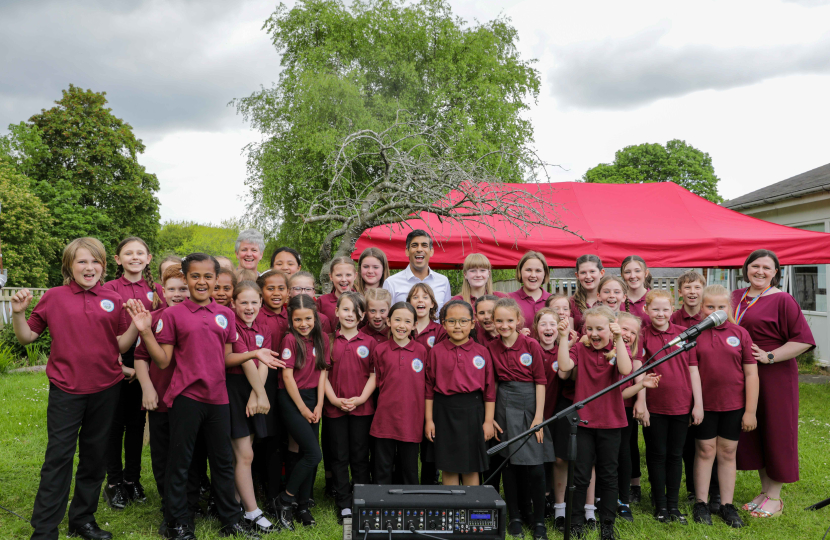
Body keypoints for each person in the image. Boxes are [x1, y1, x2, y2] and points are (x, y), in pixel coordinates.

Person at [11, 237, 145, 540]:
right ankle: (44, 530)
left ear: (104, 265)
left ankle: (82, 520)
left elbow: (119, 344)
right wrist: (19, 313)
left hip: (107, 388)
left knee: (95, 457)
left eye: (95, 261)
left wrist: (136, 324)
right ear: (69, 266)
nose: (90, 267)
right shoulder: (54, 297)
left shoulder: (111, 297)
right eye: (82, 261)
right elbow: (27, 337)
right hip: (66, 389)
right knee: (58, 457)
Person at [136, 252, 272, 539]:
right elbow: (162, 361)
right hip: (186, 398)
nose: (202, 281)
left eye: (208, 276)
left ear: (216, 279)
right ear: (185, 279)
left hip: (218, 398)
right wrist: (146, 333)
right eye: (195, 276)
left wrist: (254, 353)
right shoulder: (173, 315)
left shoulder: (225, 315)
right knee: (181, 461)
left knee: (223, 461)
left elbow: (227, 358)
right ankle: (177, 522)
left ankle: (231, 521)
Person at [732, 249, 814, 519]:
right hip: (742, 374)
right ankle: (765, 491)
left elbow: (802, 340)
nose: (760, 272)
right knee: (755, 430)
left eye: (767, 268)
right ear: (746, 269)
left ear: (776, 272)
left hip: (774, 374)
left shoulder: (783, 300)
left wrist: (769, 356)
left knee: (776, 430)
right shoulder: (735, 297)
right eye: (755, 266)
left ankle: (775, 497)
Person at [557, 305, 633, 540]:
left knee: (609, 474)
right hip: (583, 423)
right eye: (590, 329)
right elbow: (564, 367)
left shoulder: (619, 347)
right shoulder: (580, 347)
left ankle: (607, 525)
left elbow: (625, 369)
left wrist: (619, 339)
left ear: (610, 329)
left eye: (600, 328)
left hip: (611, 422)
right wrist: (562, 339)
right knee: (580, 476)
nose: (594, 333)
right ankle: (576, 522)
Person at [102, 236, 162, 510]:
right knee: (115, 424)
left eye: (141, 253)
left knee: (138, 424)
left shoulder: (157, 290)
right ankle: (113, 482)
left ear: (149, 259)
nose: (135, 257)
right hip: (115, 358)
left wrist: (144, 368)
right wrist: (121, 365)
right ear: (118, 259)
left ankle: (132, 479)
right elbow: (102, 334)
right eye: (128, 253)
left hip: (146, 360)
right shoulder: (109, 289)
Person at [691, 285, 759, 528]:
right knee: (705, 450)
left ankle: (726, 505)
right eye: (710, 306)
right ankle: (701, 502)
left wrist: (750, 411)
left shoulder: (740, 333)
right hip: (705, 404)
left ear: (728, 307)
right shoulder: (695, 334)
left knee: (728, 452)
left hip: (734, 404)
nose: (716, 311)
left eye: (721, 306)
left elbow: (751, 374)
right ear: (701, 307)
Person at [488, 297, 552, 540]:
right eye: (499, 321)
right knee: (509, 464)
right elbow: (491, 384)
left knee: (535, 467)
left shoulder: (530, 344)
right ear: (493, 322)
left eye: (509, 320)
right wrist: (491, 416)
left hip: (530, 404)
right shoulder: (491, 348)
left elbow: (541, 382)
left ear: (518, 321)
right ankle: (514, 516)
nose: (504, 325)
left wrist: (538, 418)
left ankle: (538, 521)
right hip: (504, 404)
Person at [638, 289, 703, 524]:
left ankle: (674, 505)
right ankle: (660, 505)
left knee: (676, 455)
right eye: (655, 309)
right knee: (657, 455)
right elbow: (641, 371)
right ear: (646, 310)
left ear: (673, 310)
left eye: (665, 309)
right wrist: (642, 403)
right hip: (655, 407)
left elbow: (693, 370)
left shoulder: (685, 334)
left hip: (681, 405)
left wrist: (698, 404)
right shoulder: (643, 336)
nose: (660, 313)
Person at [133, 263, 188, 524]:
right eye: (173, 289)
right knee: (163, 452)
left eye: (184, 289)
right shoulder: (154, 319)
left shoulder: (200, 317)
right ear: (163, 292)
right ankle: (168, 501)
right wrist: (147, 388)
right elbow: (141, 357)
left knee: (188, 453)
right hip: (161, 397)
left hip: (191, 400)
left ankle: (188, 498)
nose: (179, 294)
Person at [271, 294, 331, 529]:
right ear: (291, 320)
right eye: (298, 320)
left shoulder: (322, 338)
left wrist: (318, 404)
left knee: (302, 450)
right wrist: (303, 408)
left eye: (308, 318)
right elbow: (287, 376)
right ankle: (285, 500)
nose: (303, 324)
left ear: (315, 318)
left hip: (313, 398)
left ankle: (302, 505)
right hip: (292, 398)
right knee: (313, 454)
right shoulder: (289, 340)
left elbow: (323, 370)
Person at [425, 300, 496, 486]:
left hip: (473, 411)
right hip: (444, 411)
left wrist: (488, 421)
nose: (458, 326)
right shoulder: (436, 352)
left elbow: (489, 390)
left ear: (473, 324)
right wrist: (429, 420)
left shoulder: (482, 352)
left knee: (471, 464)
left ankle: (470, 509)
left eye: (463, 321)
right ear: (444, 324)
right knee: (448, 464)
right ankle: (452, 508)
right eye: (452, 321)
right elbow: (429, 389)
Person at [228, 281, 280, 534]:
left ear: (261, 303)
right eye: (243, 302)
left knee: (245, 453)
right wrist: (258, 394)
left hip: (253, 389)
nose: (249, 307)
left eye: (254, 302)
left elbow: (265, 361)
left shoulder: (263, 327)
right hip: (235, 389)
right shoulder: (231, 324)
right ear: (233, 303)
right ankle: (252, 511)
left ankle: (236, 506)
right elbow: (248, 358)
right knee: (244, 454)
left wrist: (256, 393)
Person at [324, 292, 377, 523]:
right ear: (336, 311)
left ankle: (360, 499)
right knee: (339, 455)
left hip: (362, 409)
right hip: (334, 408)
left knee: (359, 455)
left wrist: (361, 398)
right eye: (345, 309)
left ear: (362, 315)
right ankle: (344, 503)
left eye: (355, 311)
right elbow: (322, 375)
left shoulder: (370, 342)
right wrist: (335, 400)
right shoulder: (328, 340)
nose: (350, 315)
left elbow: (374, 375)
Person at [670, 270, 714, 507]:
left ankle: (712, 489)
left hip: (710, 383)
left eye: (697, 287)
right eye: (687, 288)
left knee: (708, 441)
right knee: (687, 442)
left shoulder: (709, 317)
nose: (692, 292)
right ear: (680, 292)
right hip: (685, 385)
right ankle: (690, 488)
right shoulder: (674, 319)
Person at [369, 302, 427, 484]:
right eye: (397, 320)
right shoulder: (380, 350)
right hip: (385, 416)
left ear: (414, 325)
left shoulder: (422, 351)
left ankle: (410, 505)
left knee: (409, 467)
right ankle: (381, 503)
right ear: (389, 321)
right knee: (382, 465)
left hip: (411, 418)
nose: (402, 325)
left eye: (407, 321)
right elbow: (377, 381)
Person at [534, 305, 576, 530]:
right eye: (544, 324)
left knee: (557, 458)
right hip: (537, 413)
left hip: (557, 413)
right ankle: (541, 498)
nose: (548, 328)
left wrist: (566, 344)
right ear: (536, 328)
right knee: (538, 459)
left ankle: (554, 500)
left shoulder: (564, 351)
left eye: (553, 324)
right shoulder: (531, 349)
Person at [383, 229, 452, 314]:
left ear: (431, 251)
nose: (419, 249)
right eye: (414, 245)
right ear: (407, 251)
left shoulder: (443, 281)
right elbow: (386, 317)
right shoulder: (391, 283)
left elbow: (446, 315)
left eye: (424, 245)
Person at [508, 251, 551, 331]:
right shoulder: (509, 299)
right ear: (520, 271)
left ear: (544, 273)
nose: (533, 275)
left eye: (538, 271)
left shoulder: (553, 300)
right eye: (528, 270)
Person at [570, 255, 605, 331]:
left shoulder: (609, 300)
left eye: (592, 271)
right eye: (583, 272)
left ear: (601, 273)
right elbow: (569, 335)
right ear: (577, 275)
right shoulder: (571, 303)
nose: (588, 276)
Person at [316, 256, 356, 323]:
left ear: (355, 276)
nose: (343, 279)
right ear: (331, 276)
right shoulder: (322, 302)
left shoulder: (362, 300)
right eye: (338, 275)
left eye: (348, 275)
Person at [409, 283, 447, 350]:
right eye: (415, 297)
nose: (420, 300)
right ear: (409, 303)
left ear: (432, 304)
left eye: (425, 297)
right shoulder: (404, 328)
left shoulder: (441, 331)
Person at [621, 255, 651, 320]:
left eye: (637, 271)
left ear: (646, 273)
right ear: (622, 275)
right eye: (627, 272)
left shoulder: (655, 299)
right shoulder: (618, 300)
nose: (632, 276)